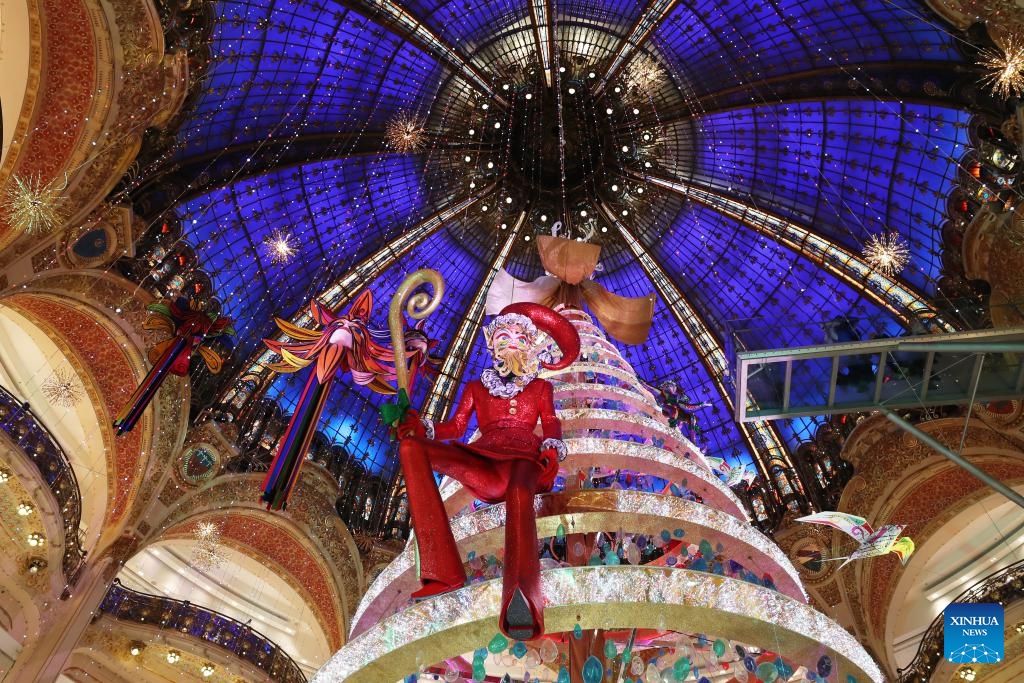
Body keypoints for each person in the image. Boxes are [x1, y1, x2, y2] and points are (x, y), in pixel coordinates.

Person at [396, 302, 581, 640]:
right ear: (491, 345)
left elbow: (551, 423)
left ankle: (524, 600)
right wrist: (423, 429)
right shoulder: (475, 389)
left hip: (526, 465)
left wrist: (552, 449)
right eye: (503, 338)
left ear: (530, 346)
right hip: (485, 463)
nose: (511, 345)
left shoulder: (541, 388)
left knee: (519, 493)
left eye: (520, 340)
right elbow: (455, 427)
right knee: (410, 448)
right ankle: (443, 572)